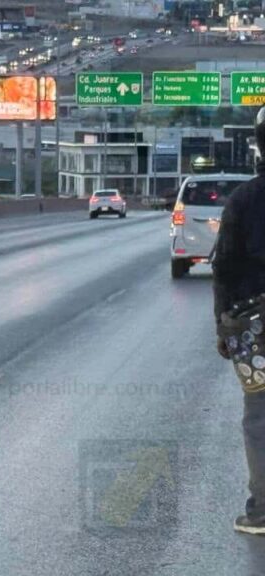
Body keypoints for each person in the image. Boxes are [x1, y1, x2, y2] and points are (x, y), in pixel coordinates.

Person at [213, 106, 265, 535]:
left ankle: (262, 511)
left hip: (253, 326)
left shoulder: (243, 200)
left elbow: (224, 268)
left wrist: (221, 326)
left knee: (260, 415)